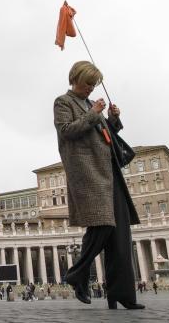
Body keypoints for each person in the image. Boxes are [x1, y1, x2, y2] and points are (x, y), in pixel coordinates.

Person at [56, 61, 143, 310]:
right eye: (87, 83)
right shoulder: (63, 102)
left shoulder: (88, 105)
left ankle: (122, 294)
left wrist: (113, 119)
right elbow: (67, 131)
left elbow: (105, 135)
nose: (91, 88)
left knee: (120, 232)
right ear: (75, 79)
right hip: (87, 172)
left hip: (109, 170)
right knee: (102, 225)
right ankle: (77, 274)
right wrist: (94, 113)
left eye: (94, 84)